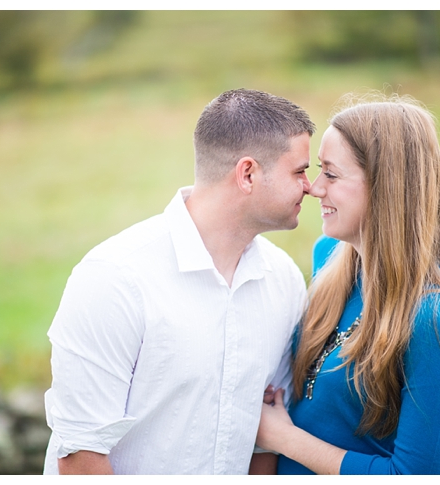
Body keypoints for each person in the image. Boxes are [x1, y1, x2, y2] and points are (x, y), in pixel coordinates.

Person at [42, 88, 316, 475]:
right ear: (248, 174)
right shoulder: (115, 277)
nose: (312, 186)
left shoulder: (284, 279)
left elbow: (262, 442)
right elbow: (80, 456)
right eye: (300, 171)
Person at [255, 93, 440, 474]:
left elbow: (411, 476)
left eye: (332, 174)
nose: (315, 188)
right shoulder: (328, 257)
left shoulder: (434, 317)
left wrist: (284, 439)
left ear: (386, 186)